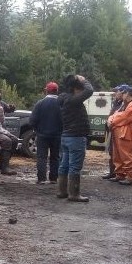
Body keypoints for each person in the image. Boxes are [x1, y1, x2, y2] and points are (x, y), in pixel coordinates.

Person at [56, 74, 94, 202]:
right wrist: (84, 80)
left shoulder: (63, 98)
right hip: (76, 137)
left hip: (66, 136)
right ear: (76, 88)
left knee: (64, 165)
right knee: (74, 167)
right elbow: (89, 90)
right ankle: (74, 194)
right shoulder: (73, 100)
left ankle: (62, 191)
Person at [106, 85, 132, 186]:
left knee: (127, 155)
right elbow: (114, 114)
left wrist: (111, 121)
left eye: (123, 93)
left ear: (127, 94)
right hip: (119, 133)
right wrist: (111, 119)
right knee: (117, 155)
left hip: (127, 135)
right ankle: (120, 174)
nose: (121, 95)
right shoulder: (124, 104)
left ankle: (130, 177)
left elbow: (124, 117)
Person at [28, 81, 62, 184]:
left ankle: (41, 179)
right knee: (55, 157)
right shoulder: (62, 104)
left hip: (42, 135)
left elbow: (32, 121)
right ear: (57, 91)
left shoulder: (40, 103)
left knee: (41, 157)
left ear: (46, 91)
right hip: (57, 135)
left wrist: (37, 129)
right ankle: (53, 178)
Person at [101, 86, 127, 180]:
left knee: (117, 153)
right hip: (112, 131)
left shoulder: (124, 104)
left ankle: (119, 173)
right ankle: (113, 172)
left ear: (123, 93)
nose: (115, 94)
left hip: (118, 131)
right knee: (112, 152)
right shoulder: (117, 102)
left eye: (117, 92)